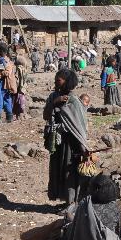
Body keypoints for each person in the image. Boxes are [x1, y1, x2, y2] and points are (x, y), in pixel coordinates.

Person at [45, 69, 91, 205]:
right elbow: (45, 116)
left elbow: (79, 125)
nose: (55, 82)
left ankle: (72, 204)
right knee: (57, 170)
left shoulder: (74, 101)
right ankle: (65, 201)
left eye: (58, 80)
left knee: (69, 172)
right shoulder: (54, 97)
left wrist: (83, 146)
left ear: (68, 82)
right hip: (57, 141)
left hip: (71, 143)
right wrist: (54, 103)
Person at [0, 43, 17, 123]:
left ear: (0, 51)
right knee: (7, 98)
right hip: (8, 83)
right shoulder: (8, 60)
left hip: (2, 82)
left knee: (0, 99)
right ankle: (9, 116)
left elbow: (6, 72)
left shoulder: (2, 60)